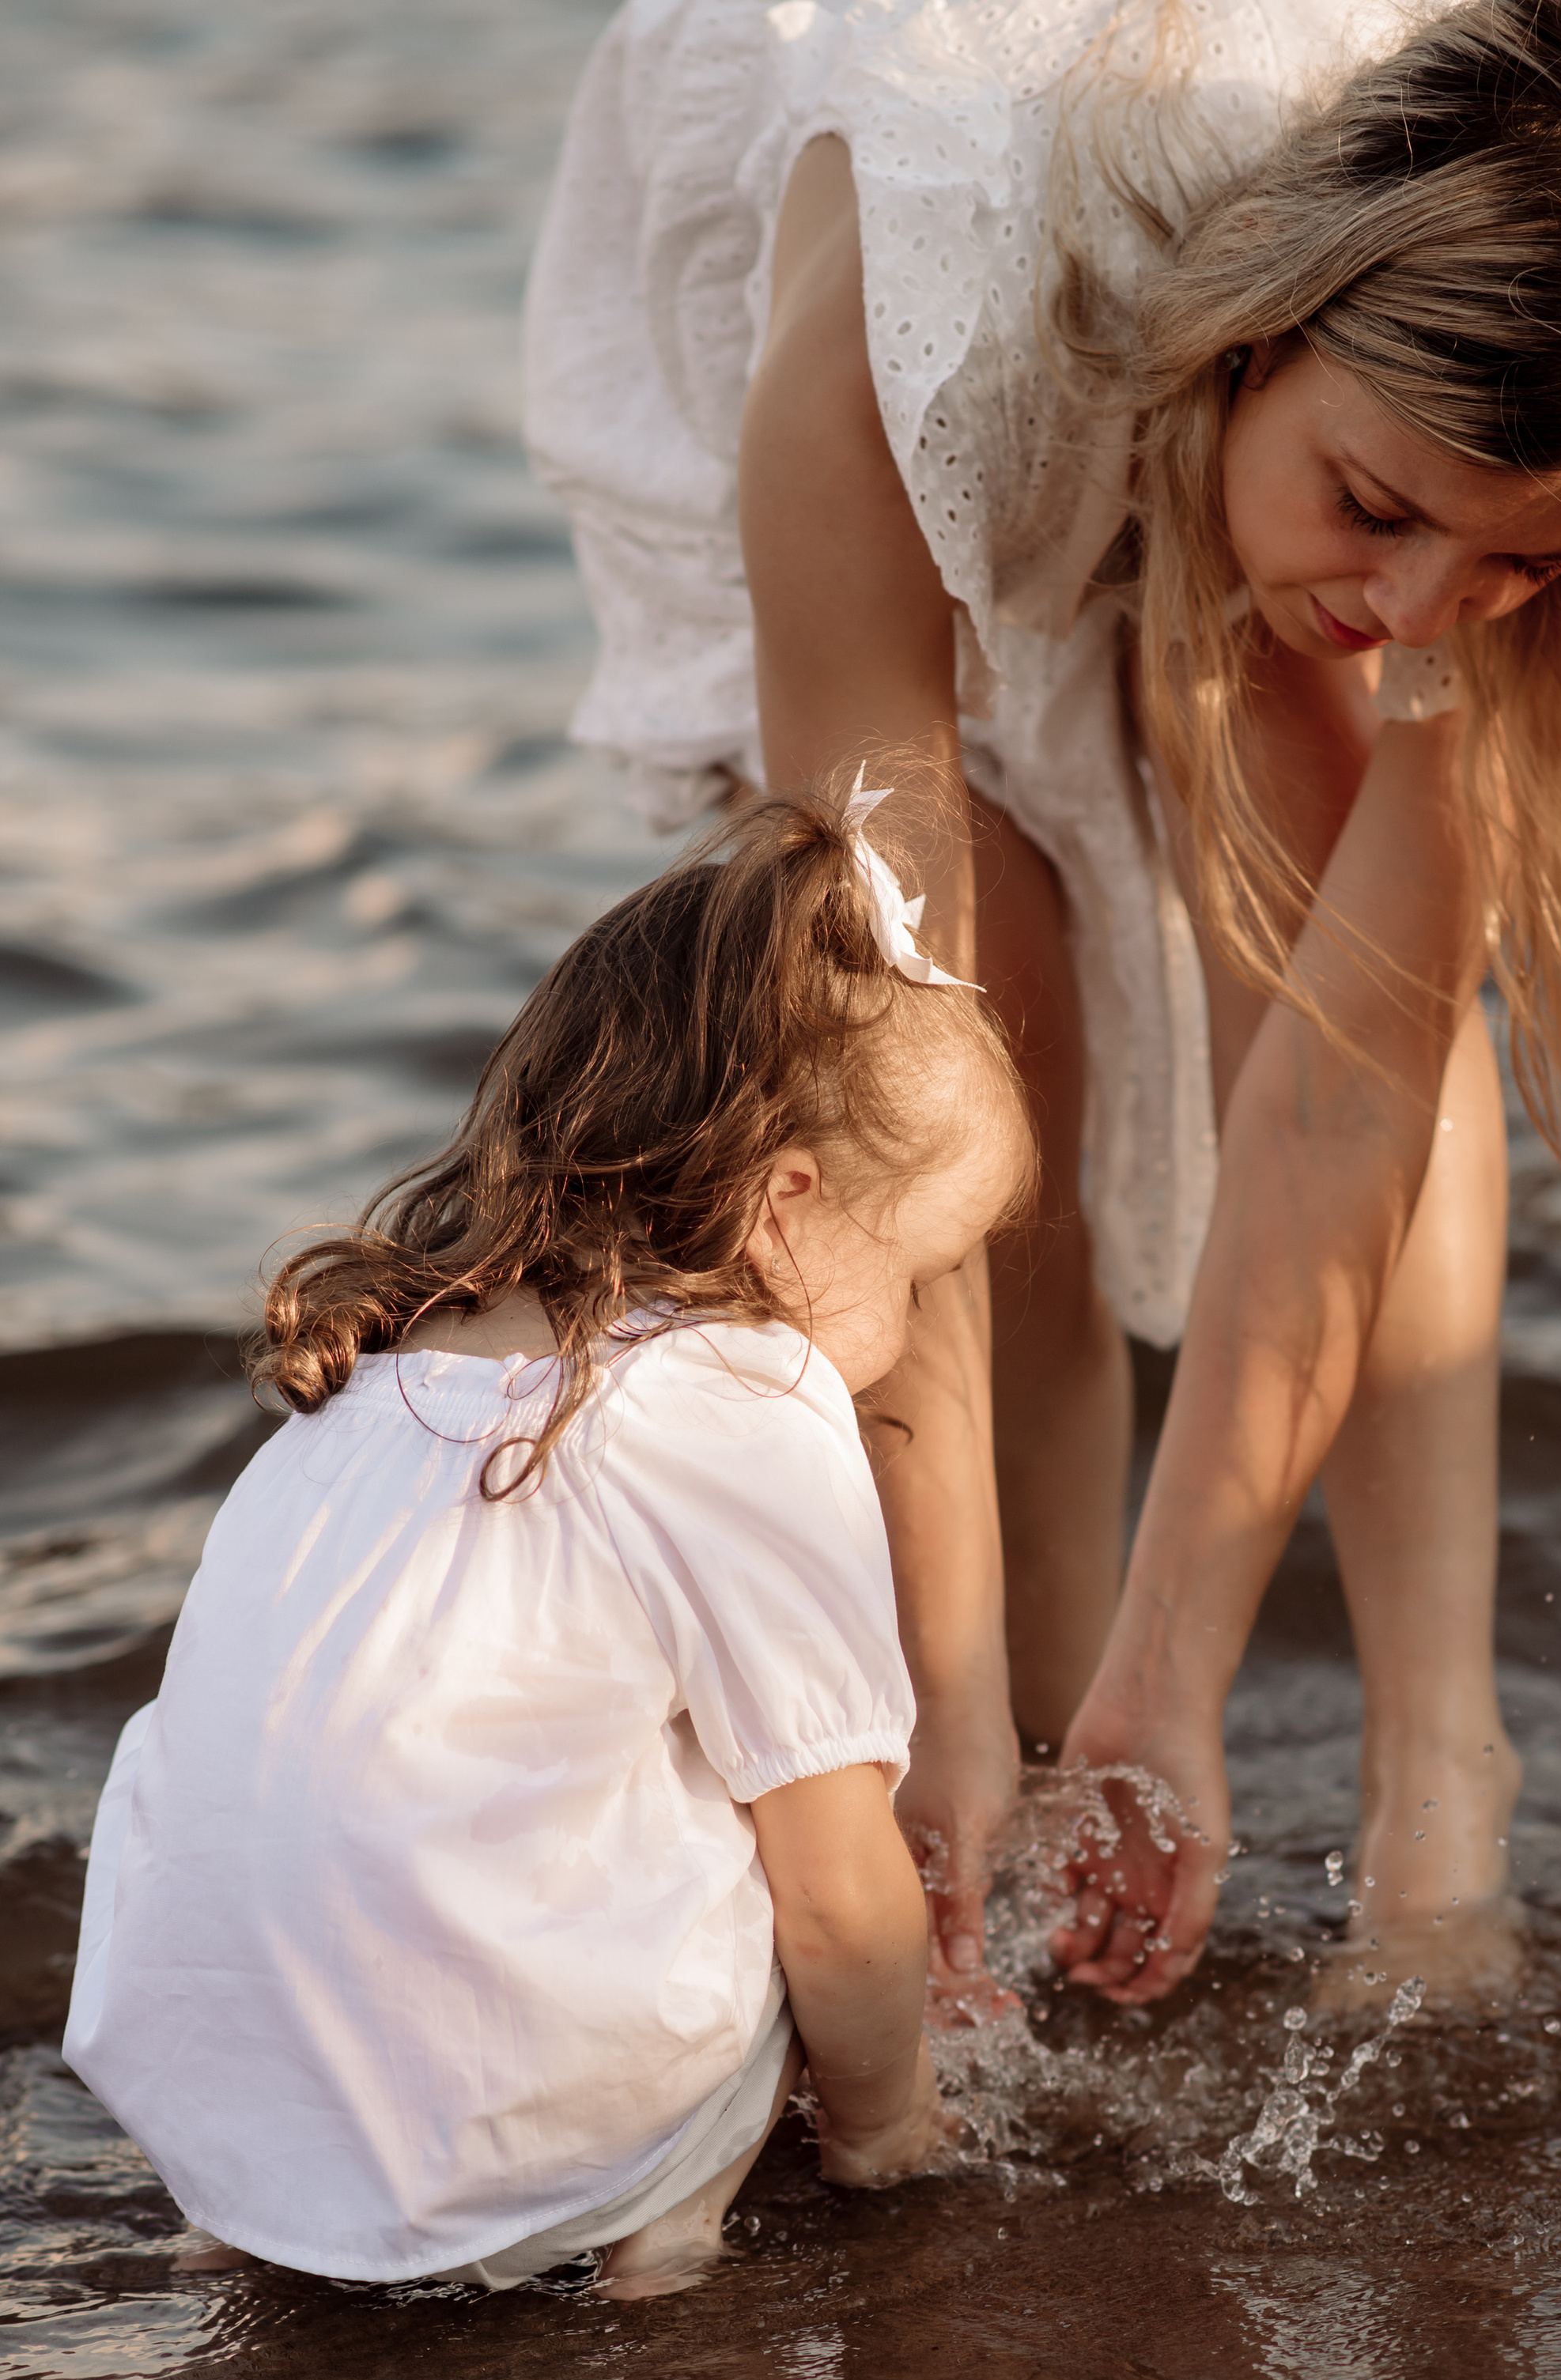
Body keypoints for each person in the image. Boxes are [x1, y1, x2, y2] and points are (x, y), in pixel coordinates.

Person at [525, 0, 1561, 2009]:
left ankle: (1433, 1802)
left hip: (1233, 300)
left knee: (1361, 953)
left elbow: (1338, 1097)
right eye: (1379, 514)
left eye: (1510, 571)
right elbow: (877, 1085)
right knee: (976, 1041)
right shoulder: (900, 333)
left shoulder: (1482, 403)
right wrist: (948, 1701)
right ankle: (1014, 1747)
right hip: (956, 221)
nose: (1421, 614)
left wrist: (1192, 1663)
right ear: (1257, 334)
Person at [63, 788, 1035, 2295]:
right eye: (923, 1274)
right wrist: (891, 2126)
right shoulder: (747, 1400)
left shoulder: (367, 1380)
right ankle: (660, 2247)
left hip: (214, 2102)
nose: (908, 1340)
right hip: (535, 2146)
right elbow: (844, 1898)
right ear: (786, 1207)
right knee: (800, 1853)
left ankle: (270, 2233)